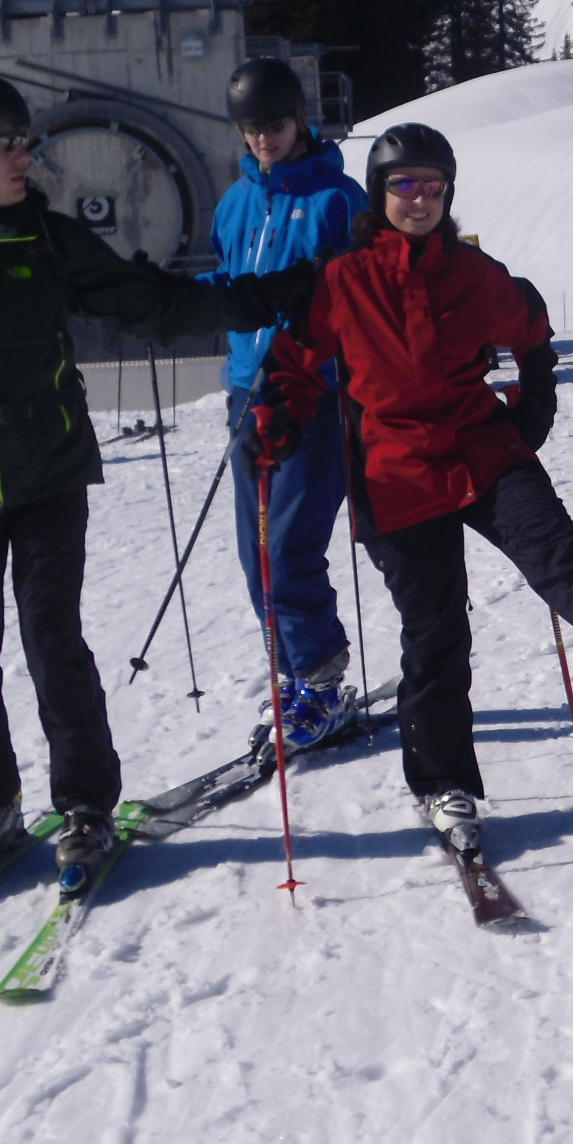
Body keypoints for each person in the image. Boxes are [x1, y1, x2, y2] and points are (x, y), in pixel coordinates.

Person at [0, 69, 315, 894]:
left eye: (24, 141)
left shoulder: (47, 240)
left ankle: (84, 806)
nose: (24, 156)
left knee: (52, 641)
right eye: (3, 144)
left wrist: (267, 298)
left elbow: (153, 304)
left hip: (47, 469)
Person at [256, 124, 573, 852]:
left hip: (480, 447)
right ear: (380, 192)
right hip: (395, 473)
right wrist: (279, 418)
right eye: (404, 185)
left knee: (553, 545)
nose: (419, 199)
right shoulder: (344, 279)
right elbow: (294, 360)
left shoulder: (474, 273)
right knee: (436, 629)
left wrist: (534, 404)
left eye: (433, 185)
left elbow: (531, 330)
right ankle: (441, 781)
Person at [205, 59, 370, 752]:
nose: (263, 139)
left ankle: (322, 683)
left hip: (315, 393)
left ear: (300, 119)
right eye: (250, 128)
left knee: (289, 545)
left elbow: (365, 299)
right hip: (249, 391)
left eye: (273, 124)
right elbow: (224, 281)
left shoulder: (340, 200)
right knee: (256, 552)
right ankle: (295, 674)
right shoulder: (234, 203)